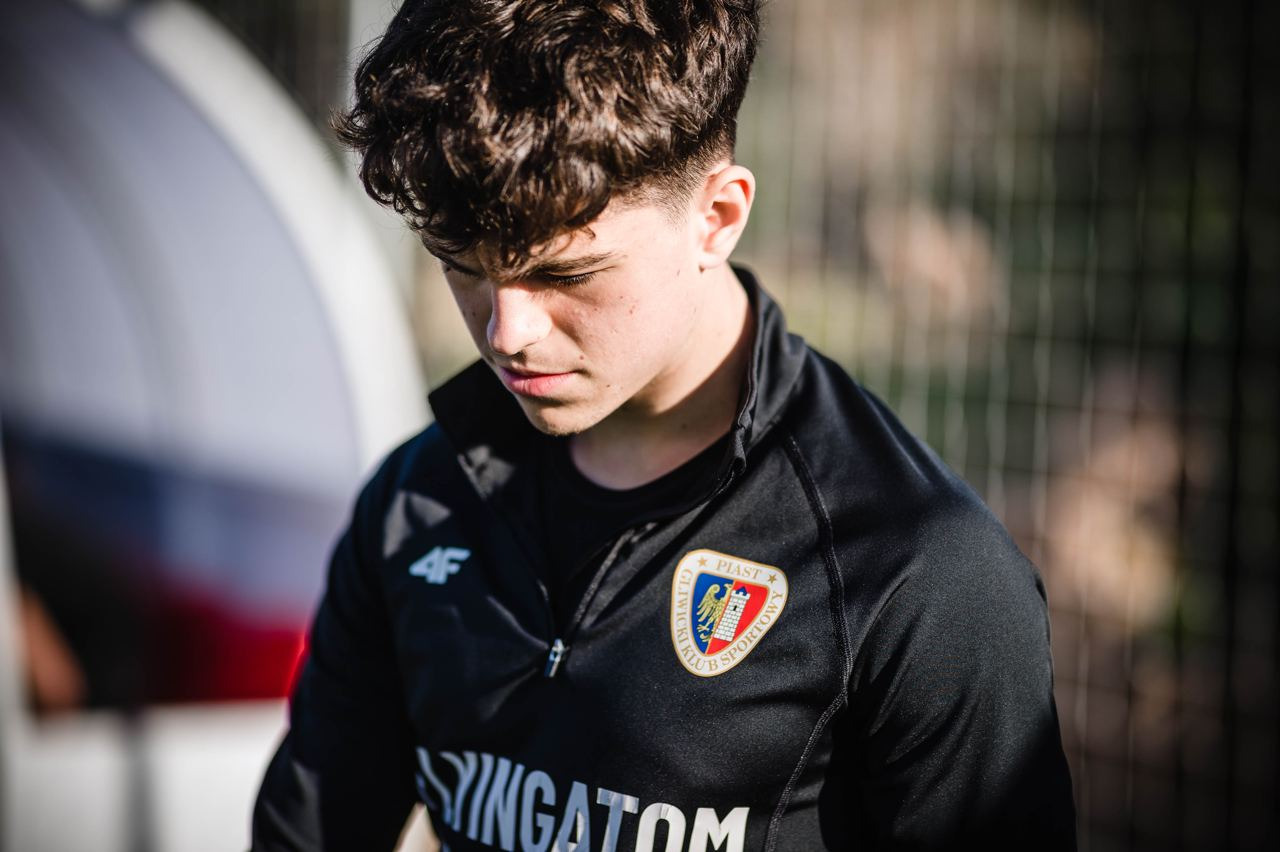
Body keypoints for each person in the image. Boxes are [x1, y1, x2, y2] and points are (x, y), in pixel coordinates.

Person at [251, 1, 1076, 849]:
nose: (507, 332)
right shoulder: (418, 500)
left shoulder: (919, 572)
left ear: (716, 218)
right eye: (461, 267)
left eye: (566, 273)